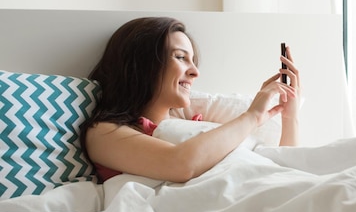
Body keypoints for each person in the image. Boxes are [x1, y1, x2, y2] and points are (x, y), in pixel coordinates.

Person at [80, 17, 301, 183]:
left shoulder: (195, 129)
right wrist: (252, 116)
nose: (195, 72)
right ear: (141, 65)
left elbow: (281, 172)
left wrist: (290, 117)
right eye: (180, 57)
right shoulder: (104, 134)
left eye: (193, 61)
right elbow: (180, 164)